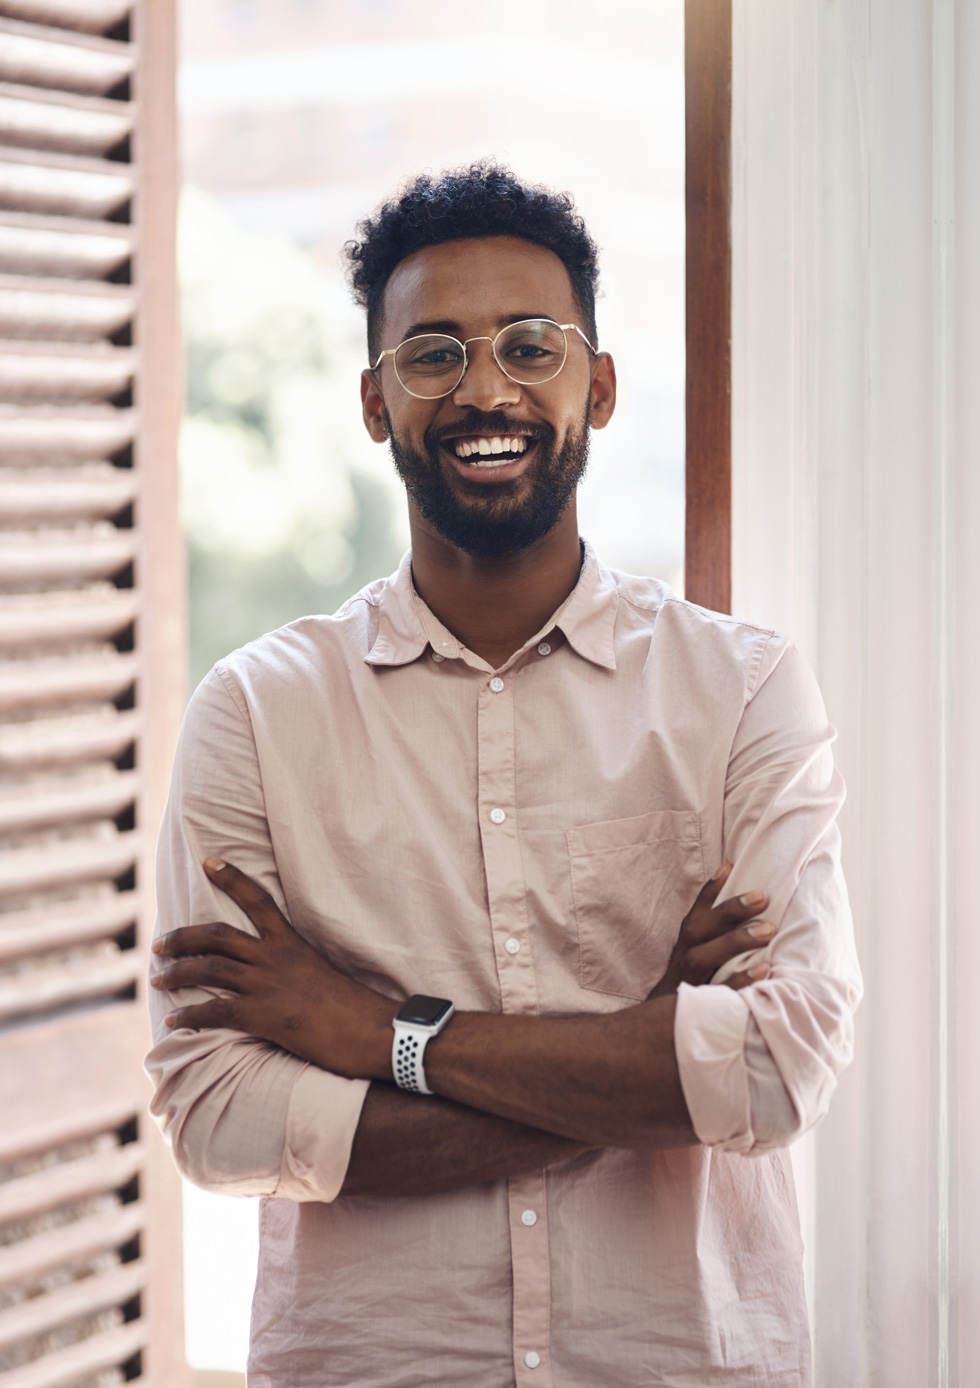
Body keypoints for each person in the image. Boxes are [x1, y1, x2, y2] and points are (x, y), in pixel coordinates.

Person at [146, 163, 862, 1388]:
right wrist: (636, 1059)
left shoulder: (739, 693)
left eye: (531, 346)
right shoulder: (256, 713)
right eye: (432, 355)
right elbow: (215, 1113)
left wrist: (378, 1034)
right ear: (375, 404)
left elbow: (773, 1064)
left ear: (599, 385)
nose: (486, 387)